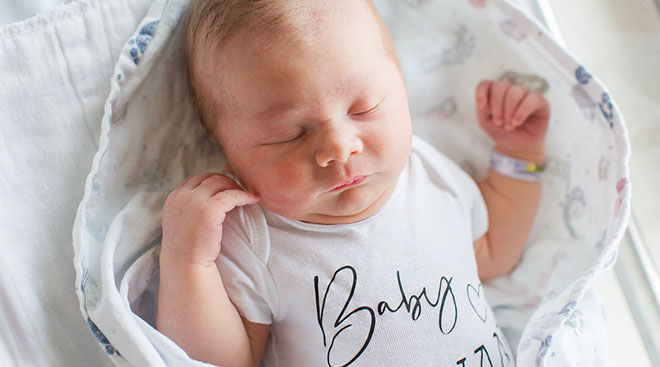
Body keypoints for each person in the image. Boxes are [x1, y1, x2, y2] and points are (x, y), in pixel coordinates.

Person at [156, 0, 549, 366]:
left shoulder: (427, 174)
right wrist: (187, 261)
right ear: (228, 151)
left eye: (366, 106)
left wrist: (520, 154)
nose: (339, 147)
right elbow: (222, 362)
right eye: (287, 134)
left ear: (401, 85)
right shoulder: (255, 238)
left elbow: (493, 253)